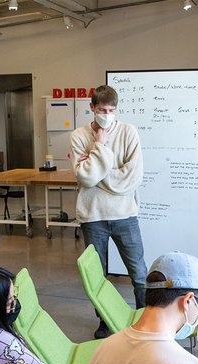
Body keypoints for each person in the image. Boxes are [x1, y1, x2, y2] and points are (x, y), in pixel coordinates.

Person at [71, 85, 147, 339]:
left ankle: (146, 318)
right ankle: (104, 321)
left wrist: (97, 172)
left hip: (125, 214)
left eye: (112, 110)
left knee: (139, 273)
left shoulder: (128, 132)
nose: (107, 114)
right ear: (92, 108)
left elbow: (132, 177)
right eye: (102, 109)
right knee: (97, 276)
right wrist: (101, 146)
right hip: (93, 217)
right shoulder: (79, 136)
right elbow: (84, 177)